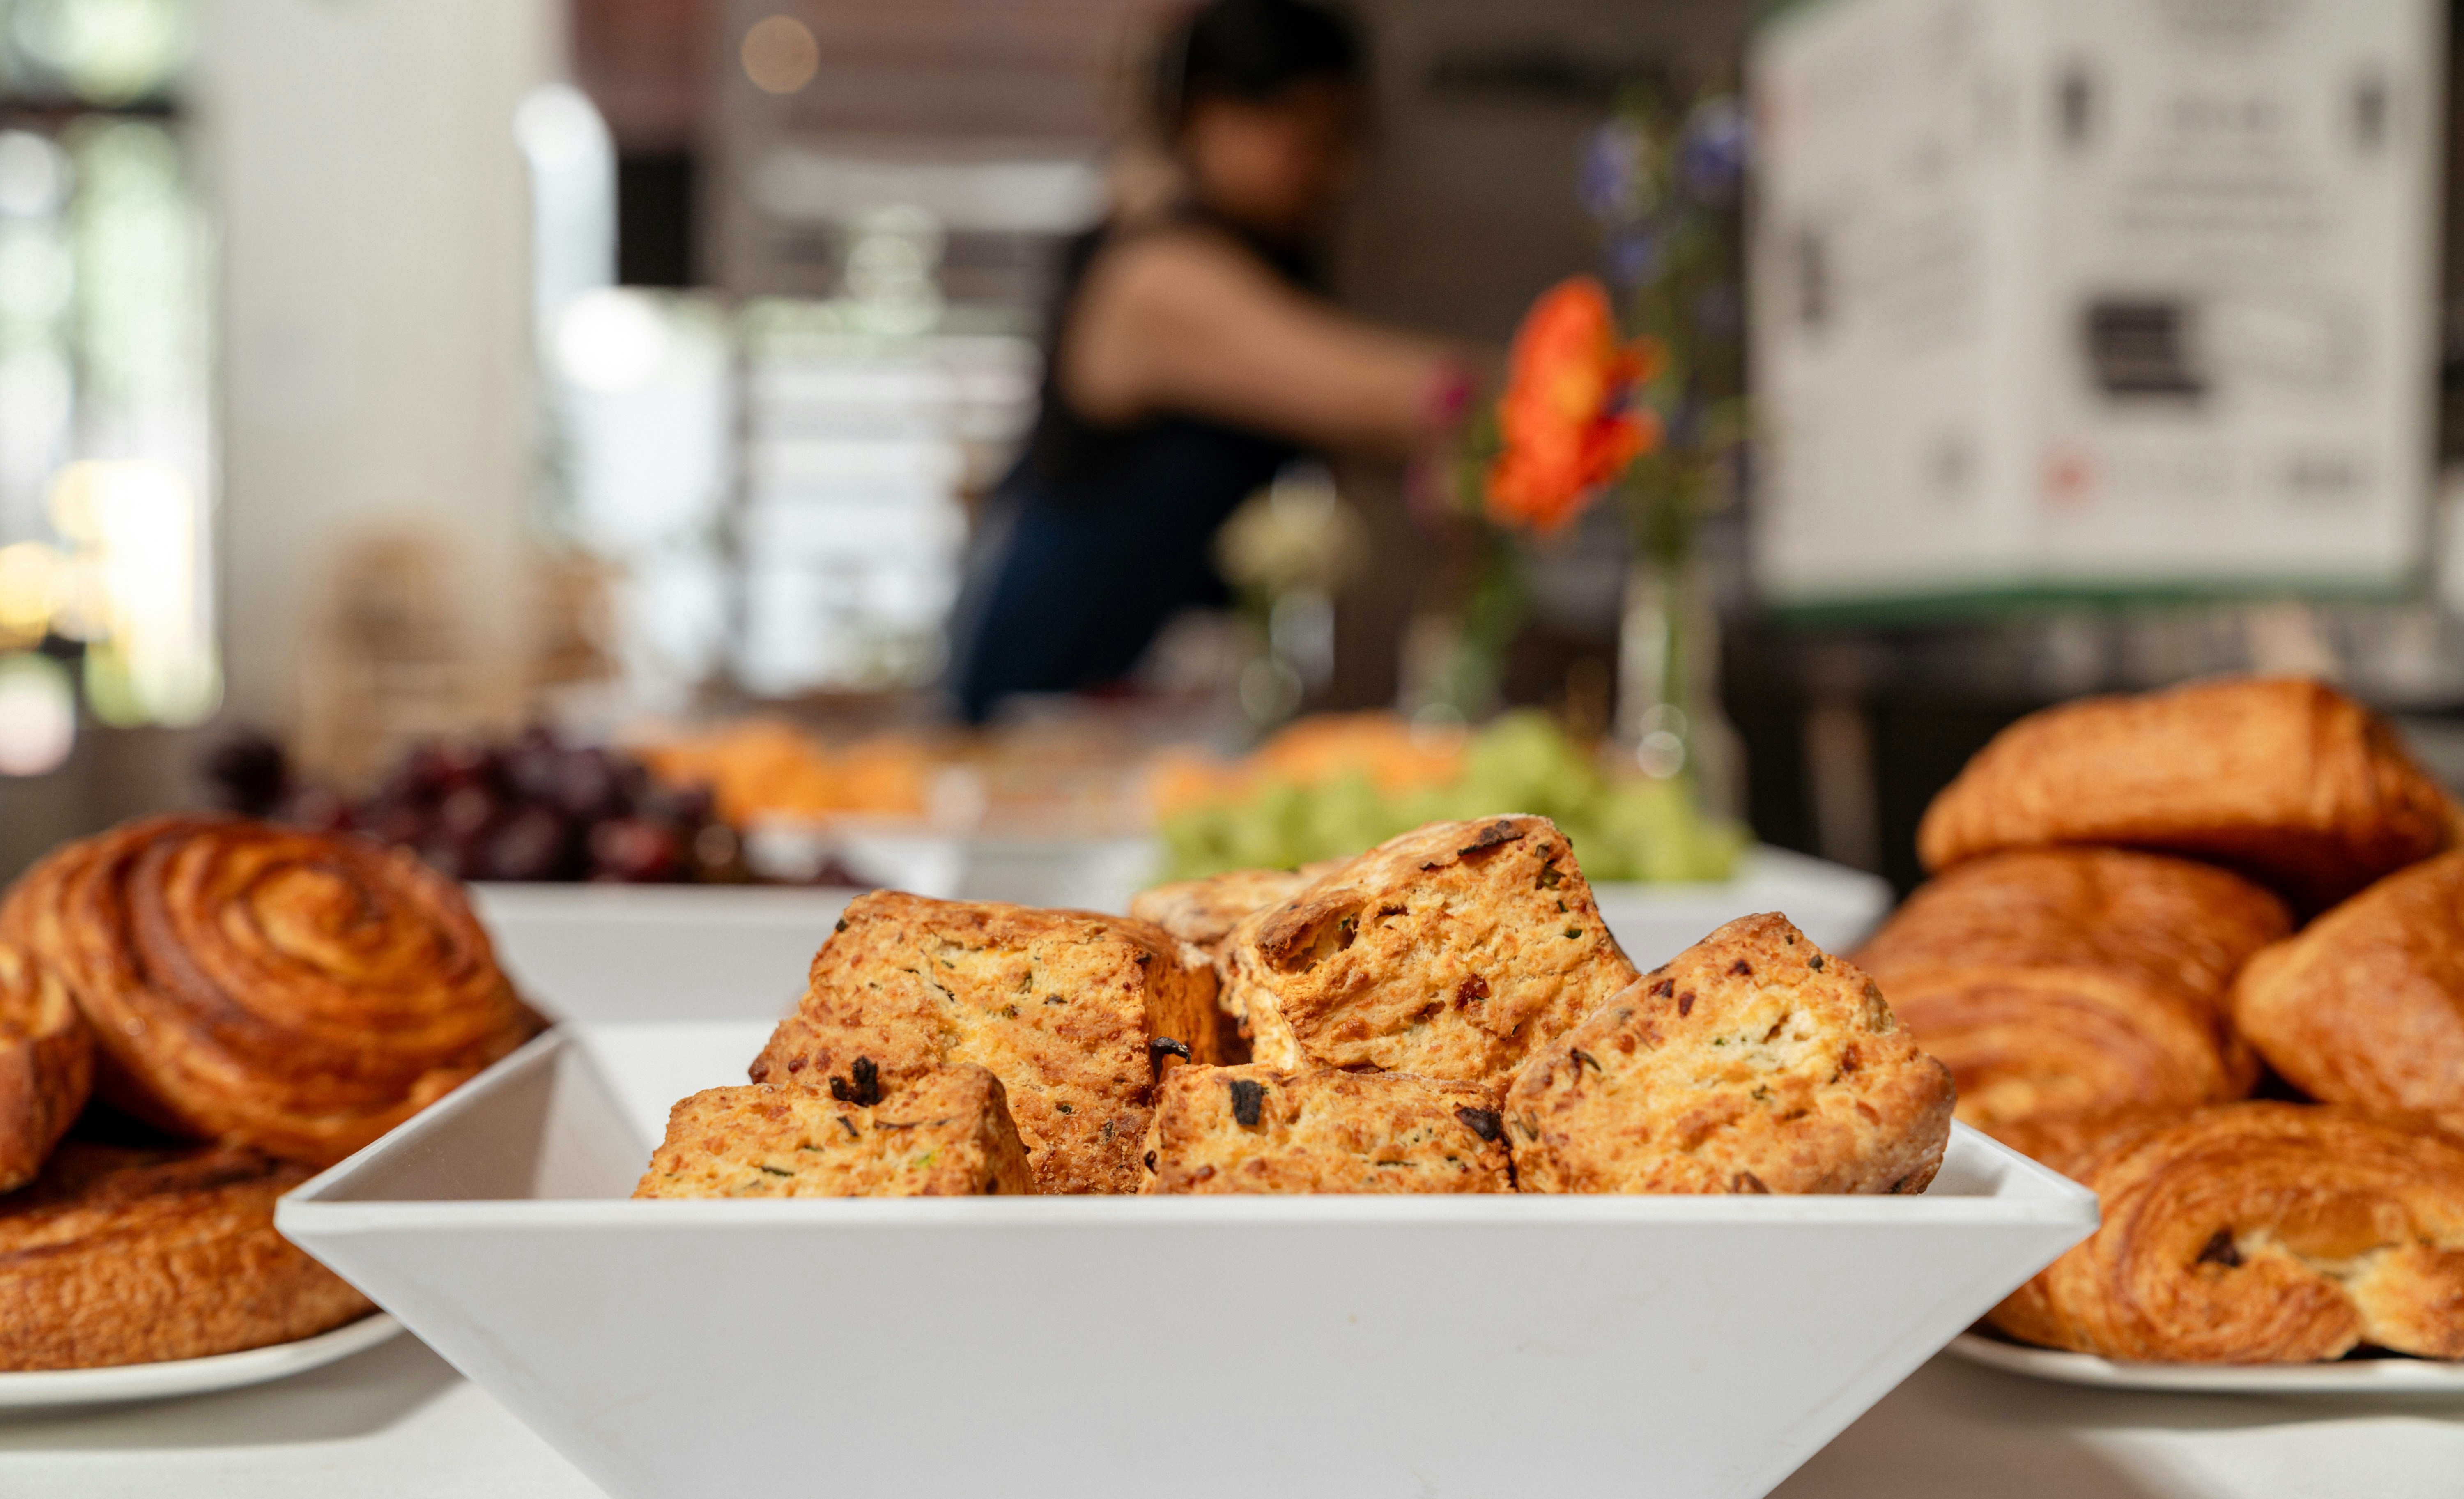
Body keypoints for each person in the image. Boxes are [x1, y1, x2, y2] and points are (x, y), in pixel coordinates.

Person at [949, 0, 1475, 722]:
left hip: (1130, 693)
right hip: (1048, 689)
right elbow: (1387, 397)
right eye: (1308, 136)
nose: (1332, 171)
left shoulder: (1224, 248)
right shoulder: (1157, 276)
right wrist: (1574, 384)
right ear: (1214, 115)